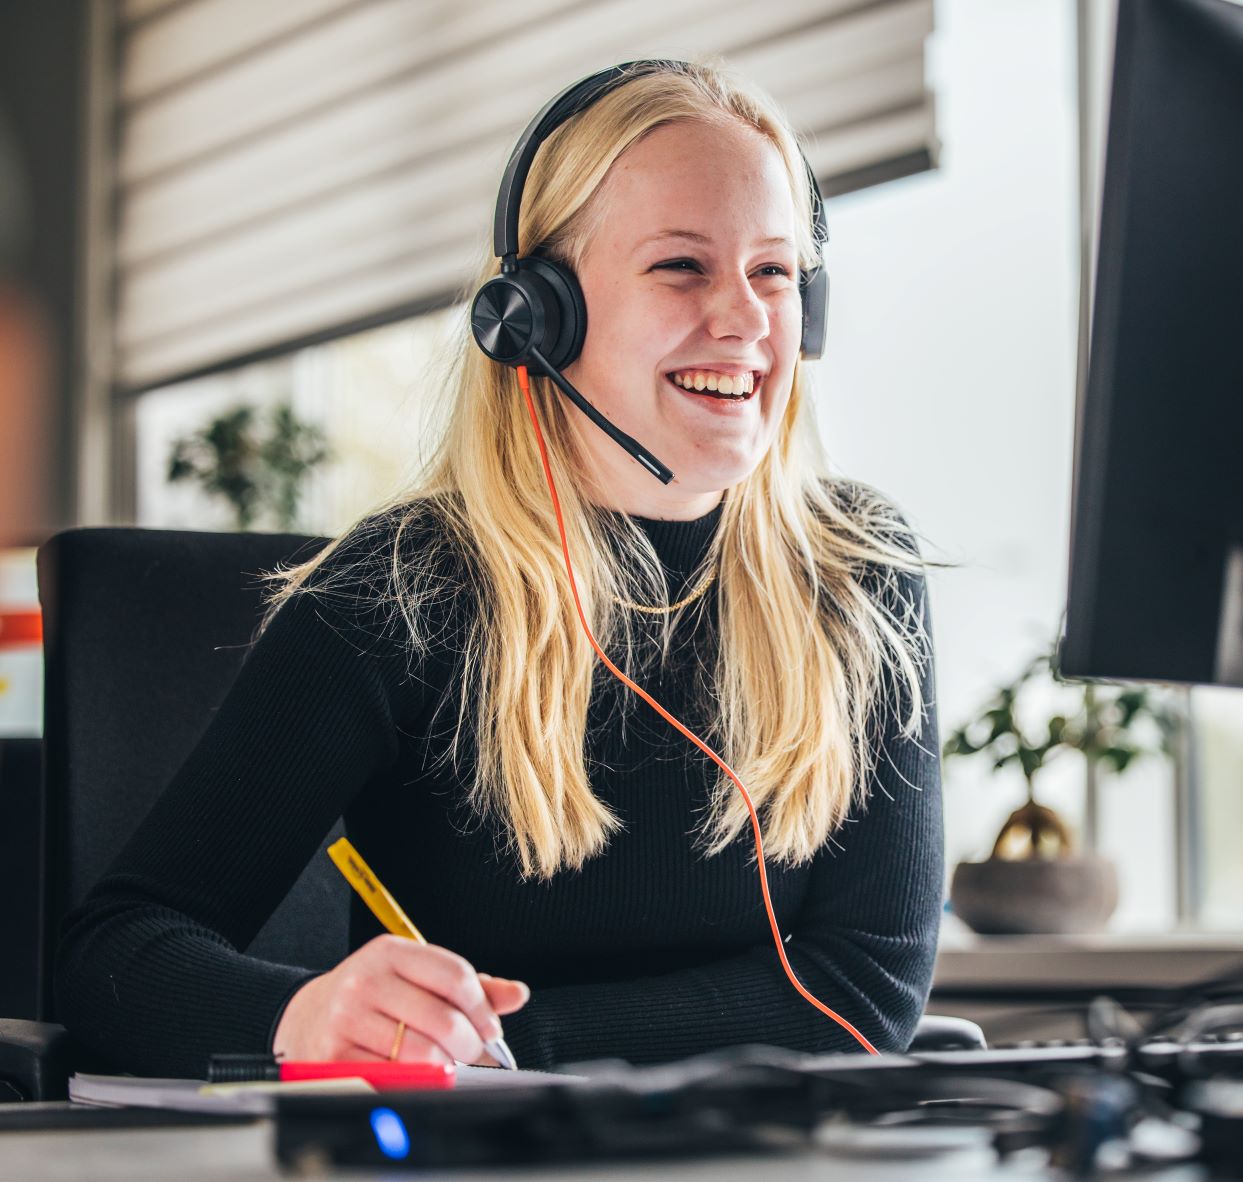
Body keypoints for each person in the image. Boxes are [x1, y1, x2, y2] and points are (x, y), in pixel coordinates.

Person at [55, 59, 942, 1077]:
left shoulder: (855, 573)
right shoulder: (402, 590)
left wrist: (516, 1043)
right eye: (682, 266)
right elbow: (113, 954)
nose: (745, 319)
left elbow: (866, 987)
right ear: (536, 314)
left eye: (774, 272)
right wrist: (300, 1016)